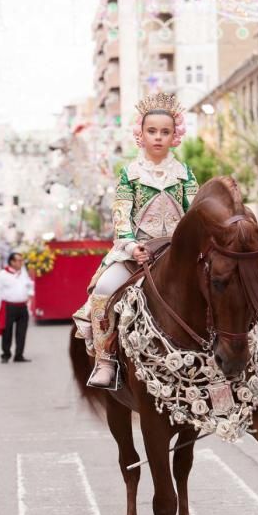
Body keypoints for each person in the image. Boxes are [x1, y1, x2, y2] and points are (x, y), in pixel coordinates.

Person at [73, 92, 198, 388]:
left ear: (174, 135)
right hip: (135, 252)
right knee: (103, 288)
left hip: (179, 253)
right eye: (151, 131)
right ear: (140, 134)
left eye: (165, 132)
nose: (158, 137)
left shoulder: (185, 175)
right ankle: (106, 361)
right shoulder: (129, 174)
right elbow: (121, 216)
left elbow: (194, 215)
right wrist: (131, 246)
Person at [0, 252, 34, 363]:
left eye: (22, 260)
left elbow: (30, 284)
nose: (21, 263)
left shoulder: (23, 272)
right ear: (12, 262)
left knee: (22, 332)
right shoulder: (2, 274)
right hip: (8, 307)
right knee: (7, 332)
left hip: (22, 307)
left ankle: (19, 355)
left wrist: (30, 293)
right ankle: (6, 354)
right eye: (19, 260)